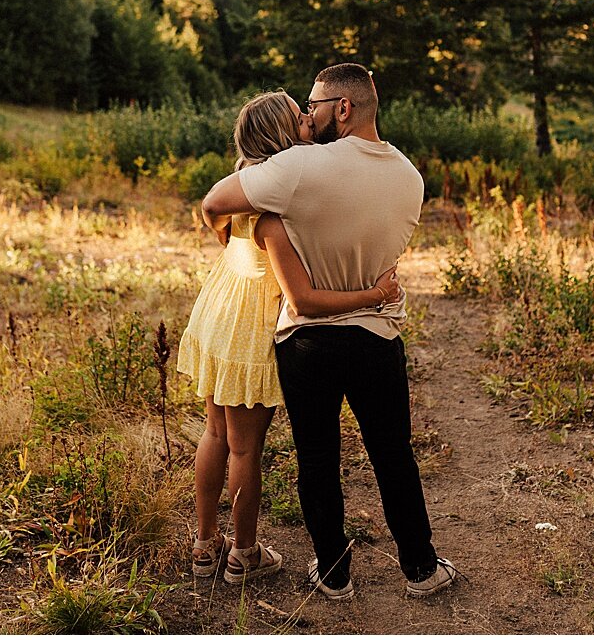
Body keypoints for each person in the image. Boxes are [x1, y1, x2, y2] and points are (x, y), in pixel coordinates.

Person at [200, 64, 459, 601]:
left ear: (342, 108)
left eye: (314, 106)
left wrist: (229, 244)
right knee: (393, 452)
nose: (309, 115)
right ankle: (420, 569)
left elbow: (216, 202)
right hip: (376, 334)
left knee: (316, 456)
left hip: (308, 339)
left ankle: (333, 574)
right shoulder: (410, 177)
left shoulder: (299, 167)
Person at [178, 90, 404, 585]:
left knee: (214, 434)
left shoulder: (245, 190)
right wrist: (373, 293)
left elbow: (213, 211)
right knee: (243, 449)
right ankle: (243, 554)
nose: (310, 124)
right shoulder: (275, 212)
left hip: (218, 312)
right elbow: (300, 296)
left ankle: (203, 545)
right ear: (285, 139)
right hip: (250, 327)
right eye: (301, 122)